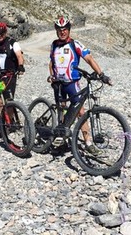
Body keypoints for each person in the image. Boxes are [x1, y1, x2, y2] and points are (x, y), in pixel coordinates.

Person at [48, 16, 112, 155]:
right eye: (59, 30)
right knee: (62, 110)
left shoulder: (74, 44)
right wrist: (52, 76)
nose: (62, 32)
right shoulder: (54, 45)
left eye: (64, 29)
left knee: (80, 112)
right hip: (58, 84)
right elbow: (51, 63)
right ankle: (62, 138)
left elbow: (89, 58)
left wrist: (101, 74)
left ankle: (88, 142)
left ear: (69, 30)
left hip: (72, 83)